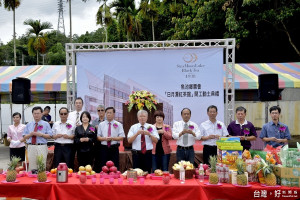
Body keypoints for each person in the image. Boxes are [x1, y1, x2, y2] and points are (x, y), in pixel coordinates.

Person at [22, 106, 53, 171]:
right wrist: (30, 134)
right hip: (31, 146)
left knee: (41, 165)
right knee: (32, 166)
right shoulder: (28, 124)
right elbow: (24, 136)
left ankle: (41, 179)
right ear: (32, 114)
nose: (36, 115)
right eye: (34, 113)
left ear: (42, 114)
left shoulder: (46, 124)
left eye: (38, 113)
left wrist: (41, 134)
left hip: (41, 146)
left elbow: (50, 135)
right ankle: (32, 179)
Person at [91, 105, 105, 172]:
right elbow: (91, 131)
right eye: (99, 110)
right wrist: (94, 129)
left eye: (102, 110)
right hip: (97, 143)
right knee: (97, 160)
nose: (100, 112)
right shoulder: (94, 122)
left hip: (106, 142)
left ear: (104, 111)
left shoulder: (108, 121)